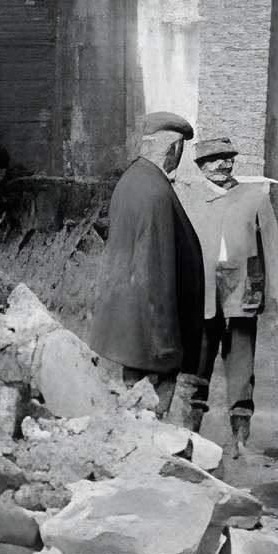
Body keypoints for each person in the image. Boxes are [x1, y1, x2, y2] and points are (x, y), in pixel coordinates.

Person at [172, 132, 278, 455]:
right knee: (196, 365)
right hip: (203, 295)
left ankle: (241, 439)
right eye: (214, 159)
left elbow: (273, 248)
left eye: (228, 158)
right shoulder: (188, 200)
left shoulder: (254, 197)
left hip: (242, 292)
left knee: (241, 369)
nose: (223, 164)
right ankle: (187, 437)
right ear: (200, 165)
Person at [88, 110, 204, 401]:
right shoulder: (155, 191)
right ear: (171, 149)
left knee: (132, 405)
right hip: (151, 334)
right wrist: (165, 342)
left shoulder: (131, 180)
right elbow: (157, 269)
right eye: (180, 150)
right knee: (152, 413)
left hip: (129, 327)